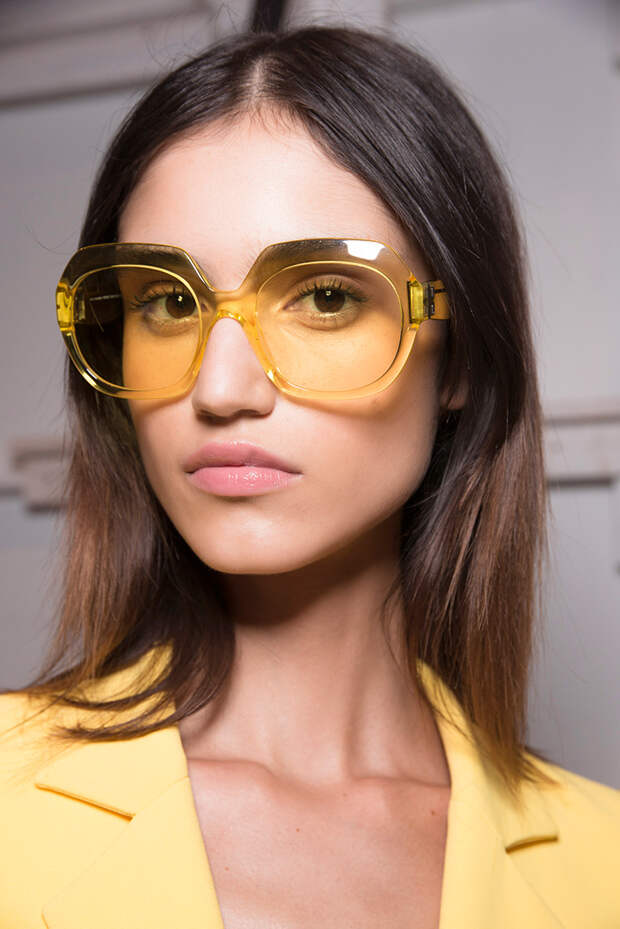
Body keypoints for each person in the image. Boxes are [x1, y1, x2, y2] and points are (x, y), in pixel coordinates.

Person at [0, 24, 618, 929]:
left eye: (326, 296)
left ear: (460, 359)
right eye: (167, 302)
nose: (221, 390)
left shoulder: (604, 864)